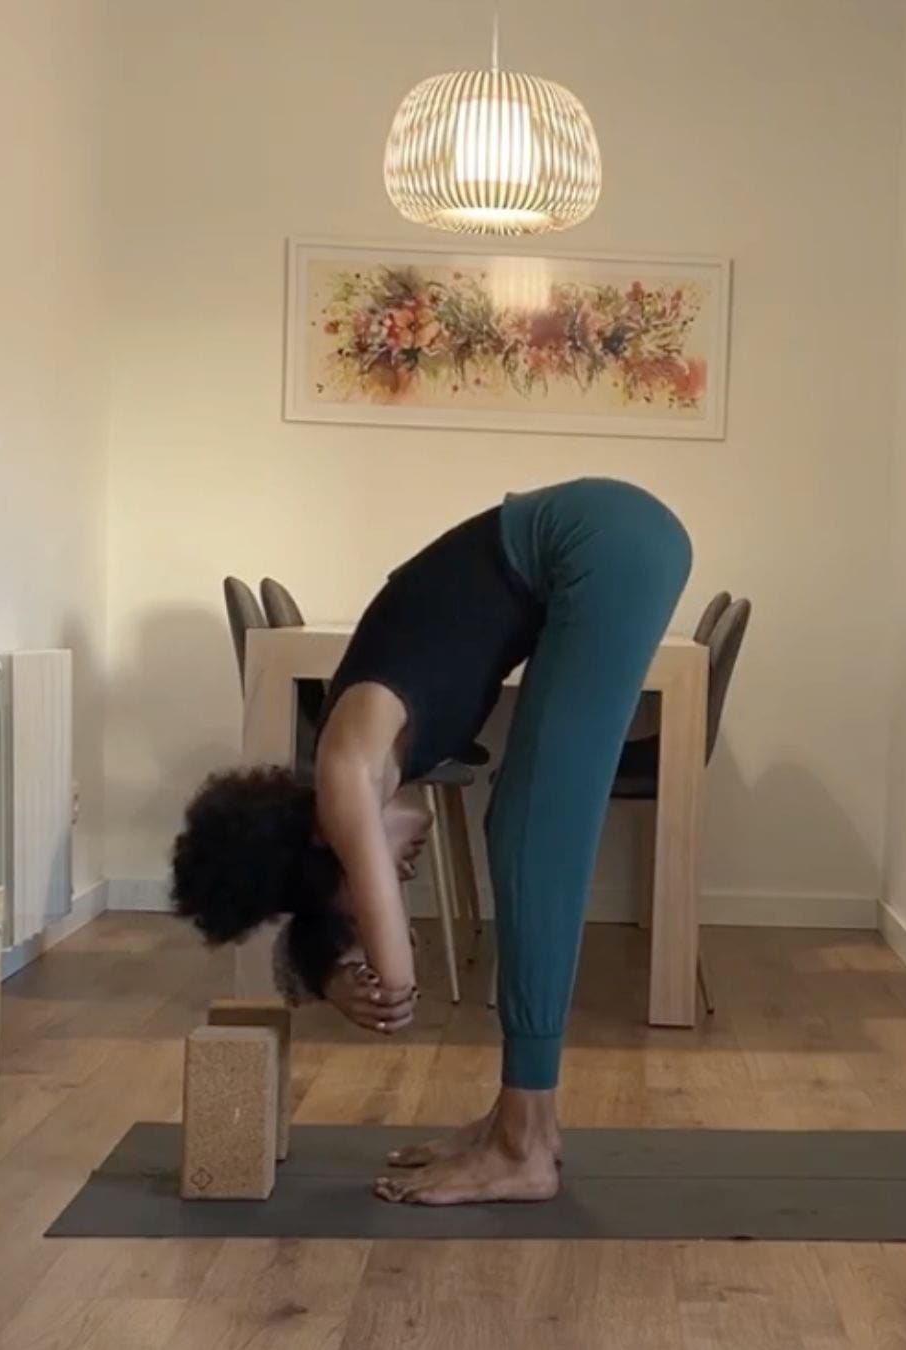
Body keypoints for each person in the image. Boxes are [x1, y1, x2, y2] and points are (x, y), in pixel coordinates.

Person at [171, 478, 691, 1205]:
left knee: (534, 835)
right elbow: (367, 946)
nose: (393, 875)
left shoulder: (345, 768)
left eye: (353, 877)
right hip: (608, 538)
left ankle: (523, 1148)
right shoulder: (371, 754)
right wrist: (326, 973)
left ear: (324, 844)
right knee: (519, 821)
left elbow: (400, 976)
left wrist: (362, 973)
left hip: (607, 537)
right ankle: (521, 1125)